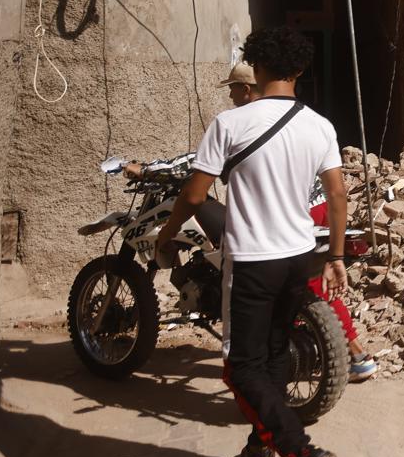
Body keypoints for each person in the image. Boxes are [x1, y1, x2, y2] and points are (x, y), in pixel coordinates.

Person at [156, 26, 346, 457]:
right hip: (298, 256)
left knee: (242, 367)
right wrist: (336, 253)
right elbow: (338, 194)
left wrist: (167, 235)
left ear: (255, 69)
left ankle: (300, 456)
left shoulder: (230, 122)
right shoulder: (320, 126)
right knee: (276, 353)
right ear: (299, 70)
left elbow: (196, 196)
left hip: (253, 262)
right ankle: (260, 447)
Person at [131, 62, 378, 383]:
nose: (231, 95)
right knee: (310, 285)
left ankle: (352, 353)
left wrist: (148, 170)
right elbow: (336, 191)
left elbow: (194, 166)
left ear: (248, 89)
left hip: (290, 213)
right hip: (315, 207)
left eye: (233, 88)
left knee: (302, 288)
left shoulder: (239, 122)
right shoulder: (303, 119)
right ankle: (340, 350)